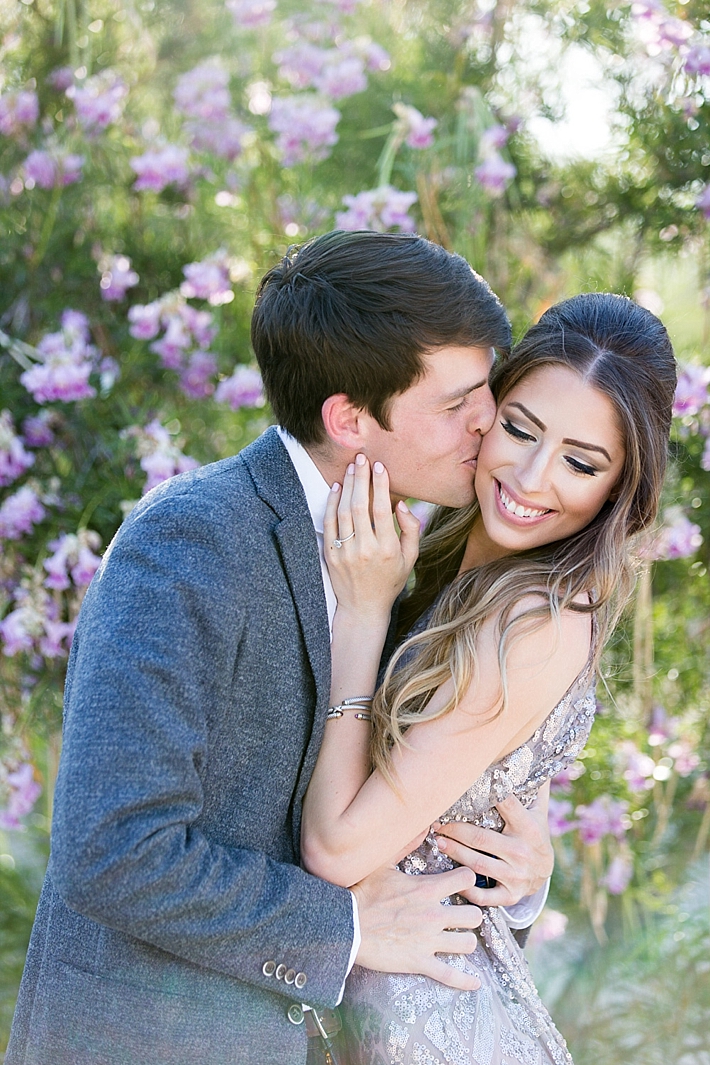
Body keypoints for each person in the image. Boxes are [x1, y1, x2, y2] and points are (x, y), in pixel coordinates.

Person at [7, 231, 554, 1065]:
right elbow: (113, 848)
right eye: (456, 404)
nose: (490, 422)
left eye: (488, 386)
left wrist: (513, 872)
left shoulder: (414, 550)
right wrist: (343, 929)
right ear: (349, 418)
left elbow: (393, 808)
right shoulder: (189, 541)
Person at [300, 292, 677, 1065]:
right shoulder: (444, 534)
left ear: (619, 487)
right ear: (486, 409)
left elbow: (337, 850)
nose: (531, 478)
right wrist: (528, 873)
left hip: (428, 1029)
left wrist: (364, 613)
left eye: (581, 463)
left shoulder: (537, 621)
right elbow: (489, 793)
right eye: (521, 429)